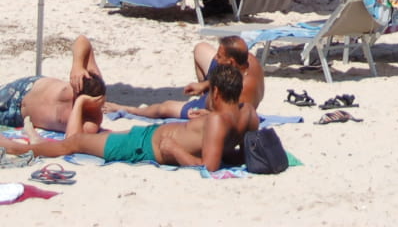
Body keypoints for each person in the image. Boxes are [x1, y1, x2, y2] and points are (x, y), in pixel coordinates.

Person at [5, 63, 257, 172]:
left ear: (216, 91)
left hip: (143, 147)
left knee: (76, 143)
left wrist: (175, 150)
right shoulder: (248, 113)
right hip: (144, 138)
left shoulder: (216, 121)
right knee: (99, 138)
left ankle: (20, 148)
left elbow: (209, 168)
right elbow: (243, 153)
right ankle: (35, 143)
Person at [105, 36, 264, 120]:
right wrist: (205, 85)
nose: (215, 58)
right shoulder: (246, 59)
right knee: (201, 48)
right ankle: (206, 91)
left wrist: (208, 114)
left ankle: (126, 109)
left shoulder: (245, 90)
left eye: (219, 56)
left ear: (231, 62)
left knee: (165, 108)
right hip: (219, 87)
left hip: (215, 106)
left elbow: (233, 118)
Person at [0, 35, 105, 134]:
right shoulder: (93, 79)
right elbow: (82, 40)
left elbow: (73, 139)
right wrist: (77, 66)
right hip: (25, 88)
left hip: (17, 116)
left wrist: (80, 103)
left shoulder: (91, 122)